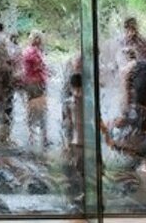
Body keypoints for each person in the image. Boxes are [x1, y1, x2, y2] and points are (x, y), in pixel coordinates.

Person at [20, 31, 49, 148]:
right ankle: (42, 137)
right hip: (36, 83)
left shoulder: (28, 50)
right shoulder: (34, 52)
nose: (40, 41)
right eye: (39, 38)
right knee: (41, 109)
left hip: (30, 83)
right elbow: (39, 66)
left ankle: (32, 136)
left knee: (32, 108)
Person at [61, 72, 84, 202]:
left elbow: (67, 124)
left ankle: (84, 193)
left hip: (80, 141)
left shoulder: (83, 101)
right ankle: (80, 193)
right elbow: (67, 124)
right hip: (78, 141)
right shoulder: (70, 103)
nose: (77, 92)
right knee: (78, 169)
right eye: (76, 89)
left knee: (82, 169)